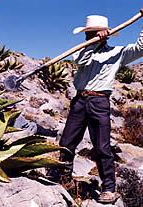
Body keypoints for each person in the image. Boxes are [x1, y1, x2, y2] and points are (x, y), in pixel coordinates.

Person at [59, 9, 143, 204]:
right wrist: (93, 43)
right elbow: (81, 61)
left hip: (99, 102)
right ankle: (63, 180)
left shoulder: (117, 53)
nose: (91, 36)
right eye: (89, 33)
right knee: (67, 143)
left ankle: (109, 189)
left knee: (102, 147)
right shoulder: (82, 50)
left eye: (94, 33)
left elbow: (141, 47)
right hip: (80, 100)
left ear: (106, 34)